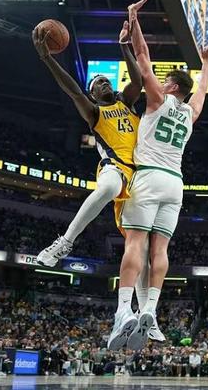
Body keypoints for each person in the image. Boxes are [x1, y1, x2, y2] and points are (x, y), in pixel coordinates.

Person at [107, 0, 208, 351]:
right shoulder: (190, 112)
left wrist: (134, 19)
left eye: (166, 79)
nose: (162, 81)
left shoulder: (157, 98)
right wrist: (207, 63)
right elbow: (203, 90)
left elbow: (142, 56)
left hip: (149, 176)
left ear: (171, 87)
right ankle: (150, 310)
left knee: (135, 243)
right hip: (175, 184)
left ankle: (123, 311)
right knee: (161, 249)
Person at [33, 21, 143, 267]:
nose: (105, 83)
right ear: (92, 95)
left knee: (140, 241)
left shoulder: (126, 103)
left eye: (107, 81)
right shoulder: (94, 112)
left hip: (140, 174)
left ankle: (139, 293)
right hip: (115, 167)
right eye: (99, 83)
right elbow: (74, 91)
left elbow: (138, 81)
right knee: (107, 188)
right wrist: (48, 59)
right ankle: (65, 242)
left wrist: (124, 46)